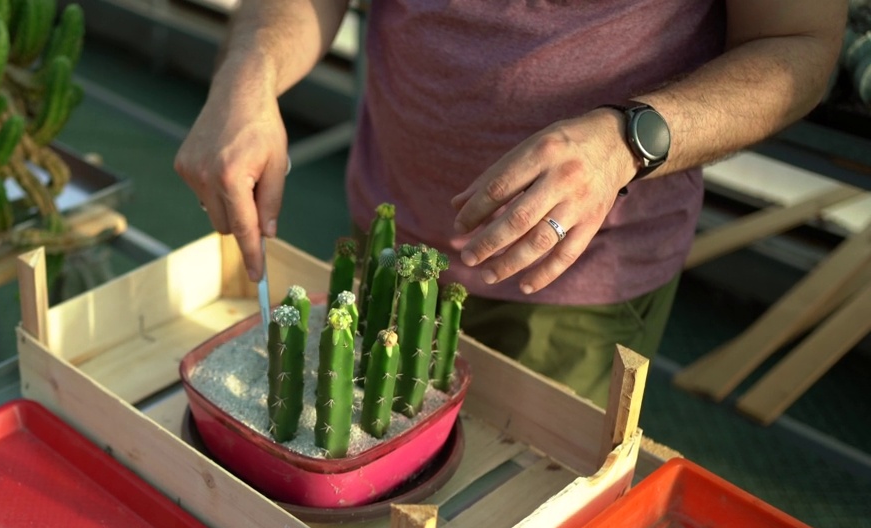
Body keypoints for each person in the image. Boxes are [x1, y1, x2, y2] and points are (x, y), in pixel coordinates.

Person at [174, 0, 845, 407]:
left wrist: (624, 142)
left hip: (579, 279)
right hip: (388, 224)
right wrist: (248, 74)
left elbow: (798, 45)